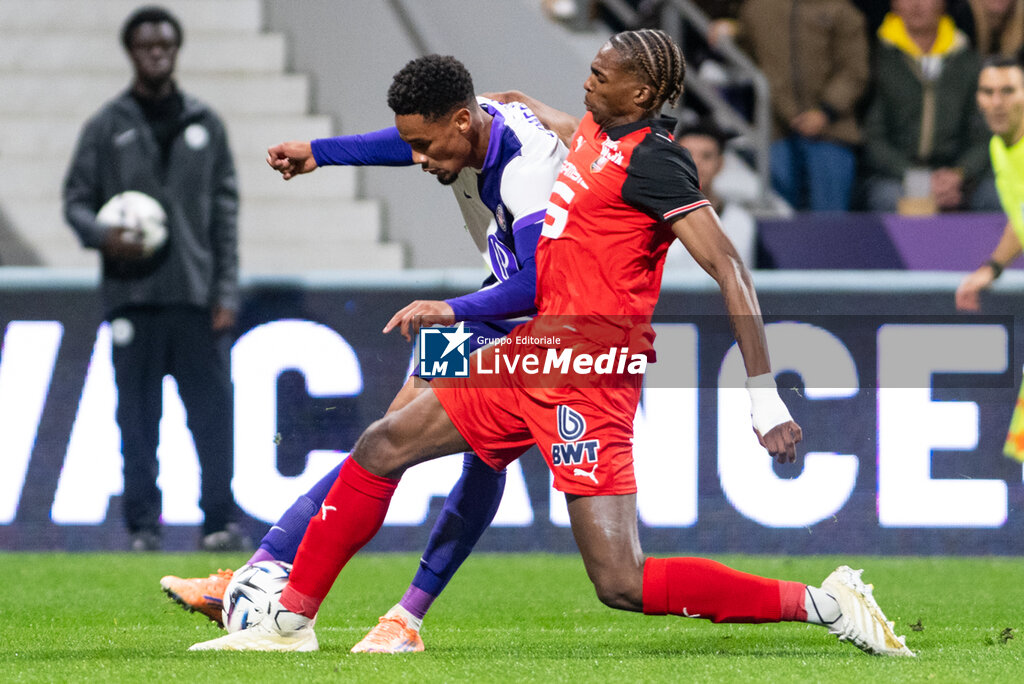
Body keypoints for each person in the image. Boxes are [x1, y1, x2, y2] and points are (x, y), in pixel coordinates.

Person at [189, 29, 914, 658]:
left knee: (620, 583)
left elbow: (728, 267)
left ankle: (824, 604)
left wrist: (764, 399)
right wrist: (542, 115)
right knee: (384, 444)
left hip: (591, 371)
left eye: (602, 74)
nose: (586, 80)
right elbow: (552, 132)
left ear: (643, 94)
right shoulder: (592, 129)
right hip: (532, 353)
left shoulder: (657, 163)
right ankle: (289, 620)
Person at [160, 54, 566, 652]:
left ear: (460, 120)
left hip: (553, 327)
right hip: (497, 306)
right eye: (414, 145)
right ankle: (267, 574)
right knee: (390, 438)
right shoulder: (473, 124)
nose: (420, 159)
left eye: (427, 145)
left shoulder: (528, 171)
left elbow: (539, 284)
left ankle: (394, 614)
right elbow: (404, 142)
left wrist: (447, 308)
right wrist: (320, 153)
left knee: (475, 456)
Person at [63, 5, 246, 553]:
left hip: (194, 295)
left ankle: (218, 522)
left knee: (212, 416)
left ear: (176, 50)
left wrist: (226, 291)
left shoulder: (205, 124)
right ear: (132, 52)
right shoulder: (107, 125)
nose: (157, 54)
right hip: (132, 297)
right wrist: (102, 235)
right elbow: (75, 201)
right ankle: (143, 526)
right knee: (137, 420)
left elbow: (225, 215)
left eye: (165, 45)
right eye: (147, 46)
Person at [709, 0, 870, 211]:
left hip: (832, 128)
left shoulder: (841, 9)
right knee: (777, 214)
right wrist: (731, 31)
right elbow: (747, 49)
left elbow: (855, 70)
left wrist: (826, 111)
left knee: (830, 221)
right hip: (776, 127)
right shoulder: (757, 7)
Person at [860, 0, 998, 212]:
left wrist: (958, 174)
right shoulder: (875, 57)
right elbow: (873, 137)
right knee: (888, 199)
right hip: (896, 175)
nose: (916, 5)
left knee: (996, 195)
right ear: (893, 4)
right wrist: (916, 178)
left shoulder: (967, 60)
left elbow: (983, 134)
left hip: (958, 175)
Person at [954, 56, 1024, 459]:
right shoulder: (1000, 148)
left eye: (1008, 91)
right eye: (988, 92)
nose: (997, 102)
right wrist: (992, 266)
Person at [664, 119, 756, 271]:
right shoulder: (651, 218)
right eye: (688, 154)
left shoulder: (740, 221)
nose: (696, 163)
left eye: (706, 156)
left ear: (720, 164)